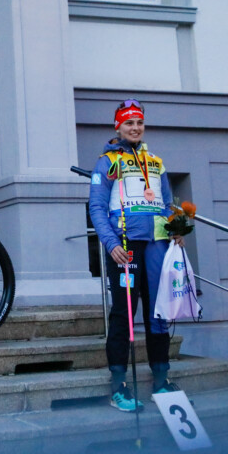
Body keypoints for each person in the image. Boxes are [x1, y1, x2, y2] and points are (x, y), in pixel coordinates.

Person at [89, 99, 182, 412]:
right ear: (118, 126)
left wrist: (177, 228)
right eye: (129, 123)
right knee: (124, 314)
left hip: (157, 245)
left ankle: (161, 380)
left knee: (159, 312)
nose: (135, 128)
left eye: (139, 123)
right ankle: (119, 386)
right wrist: (110, 242)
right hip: (125, 248)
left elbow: (169, 204)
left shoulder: (156, 160)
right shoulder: (108, 161)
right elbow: (97, 207)